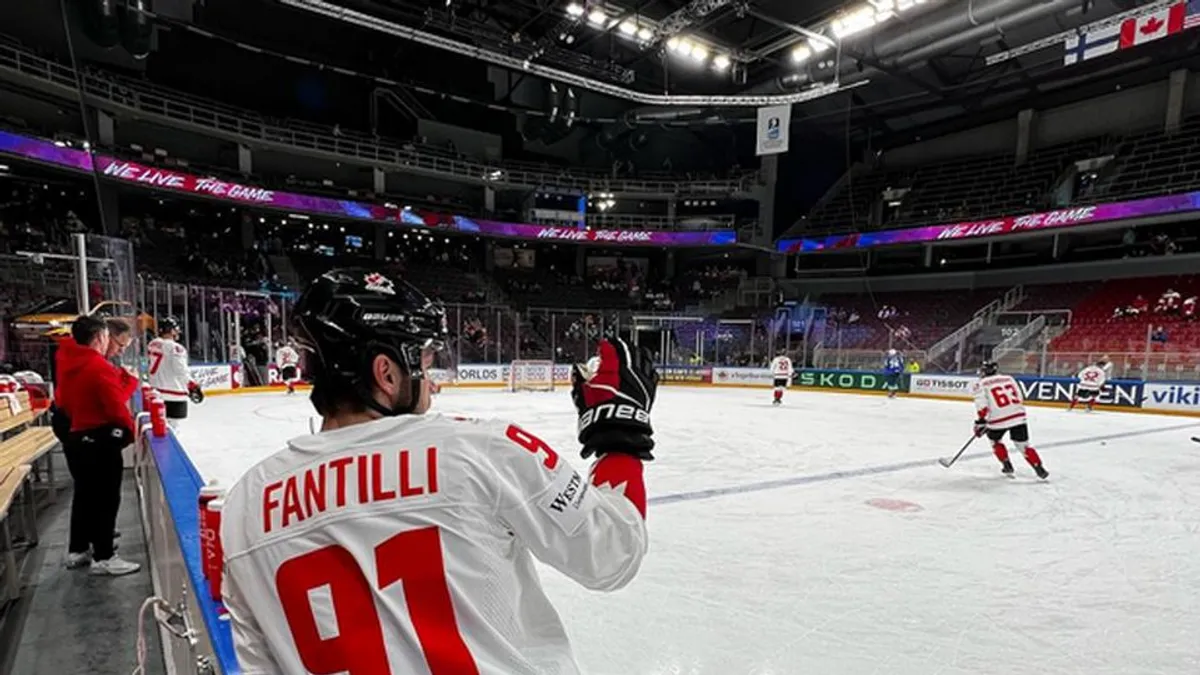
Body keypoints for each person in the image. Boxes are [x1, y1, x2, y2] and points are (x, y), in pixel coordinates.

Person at [219, 269, 655, 674]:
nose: (433, 382)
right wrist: (619, 437)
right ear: (385, 373)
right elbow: (612, 553)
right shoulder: (481, 450)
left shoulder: (245, 507)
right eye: (424, 364)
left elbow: (259, 665)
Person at [54, 316, 141, 574]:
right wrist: (129, 431)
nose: (117, 350)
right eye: (116, 343)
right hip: (94, 436)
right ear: (102, 337)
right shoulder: (96, 365)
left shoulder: (68, 358)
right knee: (104, 496)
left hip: (75, 432)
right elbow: (114, 405)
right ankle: (104, 555)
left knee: (85, 493)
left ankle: (79, 548)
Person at [971, 361, 1048, 479]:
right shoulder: (1009, 378)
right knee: (1024, 445)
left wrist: (981, 422)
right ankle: (1038, 467)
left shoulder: (980, 384)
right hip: (1018, 415)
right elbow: (1019, 395)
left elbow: (982, 406)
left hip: (997, 420)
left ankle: (1007, 465)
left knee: (995, 441)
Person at [148, 317, 201, 427]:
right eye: (176, 329)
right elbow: (180, 370)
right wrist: (192, 384)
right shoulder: (176, 348)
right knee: (173, 429)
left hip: (156, 393)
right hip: (173, 394)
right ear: (171, 331)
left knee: (158, 427)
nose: (177, 332)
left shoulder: (152, 344)